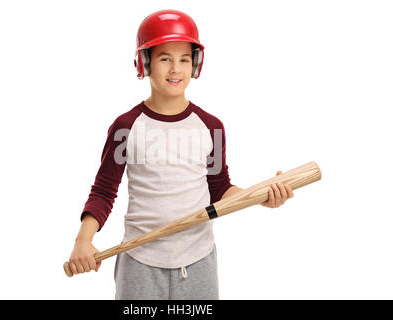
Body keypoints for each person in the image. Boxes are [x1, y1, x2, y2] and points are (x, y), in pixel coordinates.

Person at [68, 9, 294, 300]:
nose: (176, 69)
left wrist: (261, 196)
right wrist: (83, 240)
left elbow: (220, 188)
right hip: (139, 260)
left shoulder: (211, 127)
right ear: (145, 62)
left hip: (198, 259)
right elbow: (103, 190)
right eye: (165, 58)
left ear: (195, 64)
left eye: (184, 59)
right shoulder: (126, 127)